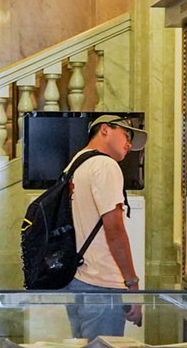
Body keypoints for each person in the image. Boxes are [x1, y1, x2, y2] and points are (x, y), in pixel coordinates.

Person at [62, 115, 147, 340]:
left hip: (77, 279)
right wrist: (132, 284)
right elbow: (115, 230)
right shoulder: (105, 165)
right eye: (126, 135)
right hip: (102, 284)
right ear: (105, 130)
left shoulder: (76, 164)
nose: (129, 144)